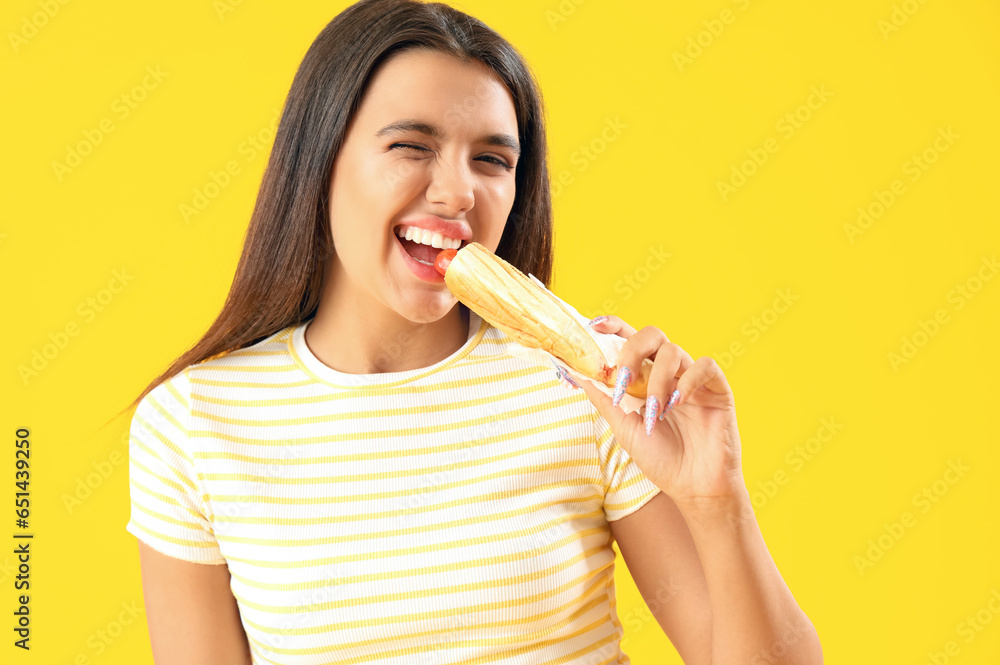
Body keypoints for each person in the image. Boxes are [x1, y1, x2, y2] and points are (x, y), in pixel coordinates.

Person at [122, 1, 823, 663]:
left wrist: (716, 499)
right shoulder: (192, 424)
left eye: (492, 159)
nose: (458, 192)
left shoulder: (591, 387)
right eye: (411, 145)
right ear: (321, 159)